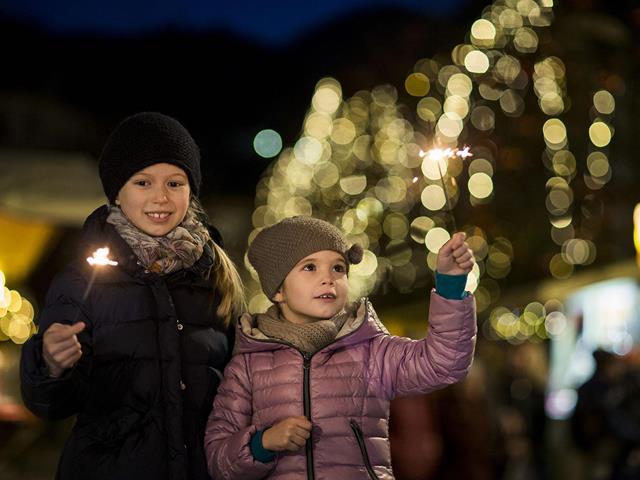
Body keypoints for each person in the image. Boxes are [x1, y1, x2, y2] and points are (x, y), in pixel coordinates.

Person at [20, 112, 245, 480]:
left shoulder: (215, 277)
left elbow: (239, 385)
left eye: (175, 182)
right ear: (117, 192)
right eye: (143, 182)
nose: (161, 197)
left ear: (192, 190)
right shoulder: (82, 281)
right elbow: (50, 404)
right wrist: (52, 365)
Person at [204, 216, 477, 479]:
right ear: (278, 290)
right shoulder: (248, 366)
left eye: (338, 268)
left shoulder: (371, 351)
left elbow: (444, 363)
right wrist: (262, 443)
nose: (328, 278)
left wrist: (450, 287)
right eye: (310, 267)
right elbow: (219, 461)